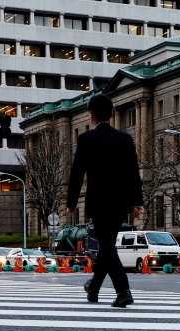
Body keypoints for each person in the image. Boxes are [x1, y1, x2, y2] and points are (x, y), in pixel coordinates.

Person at [67, 94, 144, 308]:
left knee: (107, 245)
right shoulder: (125, 139)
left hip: (98, 201)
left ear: (92, 115)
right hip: (120, 203)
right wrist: (137, 202)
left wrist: (71, 202)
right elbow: (133, 172)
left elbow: (77, 172)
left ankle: (123, 290)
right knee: (106, 245)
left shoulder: (86, 139)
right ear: (111, 113)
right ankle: (93, 287)